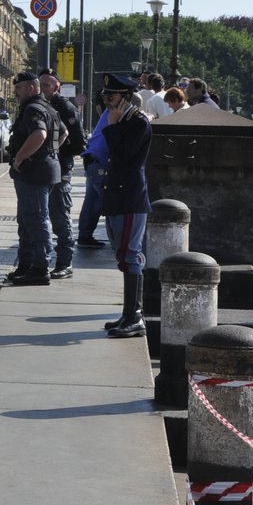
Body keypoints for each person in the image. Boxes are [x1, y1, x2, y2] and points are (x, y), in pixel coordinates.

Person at [100, 73, 154, 337]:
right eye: (105, 96)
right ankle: (127, 313)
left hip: (130, 196)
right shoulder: (122, 120)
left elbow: (122, 156)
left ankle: (135, 317)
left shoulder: (138, 122)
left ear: (125, 97)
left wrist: (111, 126)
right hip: (117, 196)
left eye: (111, 96)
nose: (107, 101)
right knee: (122, 254)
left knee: (130, 254)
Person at [4, 71, 61, 286]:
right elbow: (62, 134)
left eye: (19, 88)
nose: (16, 93)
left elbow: (40, 134)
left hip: (33, 173)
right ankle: (27, 265)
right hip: (43, 170)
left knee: (36, 220)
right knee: (27, 219)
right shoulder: (49, 108)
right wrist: (48, 155)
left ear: (30, 88)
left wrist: (20, 158)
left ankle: (40, 268)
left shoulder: (33, 109)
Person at [39, 69, 85, 278]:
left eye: (47, 85)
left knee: (60, 216)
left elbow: (79, 143)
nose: (43, 88)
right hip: (44, 170)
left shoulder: (64, 107)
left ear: (57, 87)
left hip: (60, 171)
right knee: (40, 217)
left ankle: (64, 263)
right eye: (41, 84)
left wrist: (55, 152)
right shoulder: (40, 105)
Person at [77, 98, 111, 249]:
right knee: (107, 200)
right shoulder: (118, 114)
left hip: (92, 159)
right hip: (100, 162)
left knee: (92, 200)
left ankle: (84, 235)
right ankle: (117, 239)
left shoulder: (108, 112)